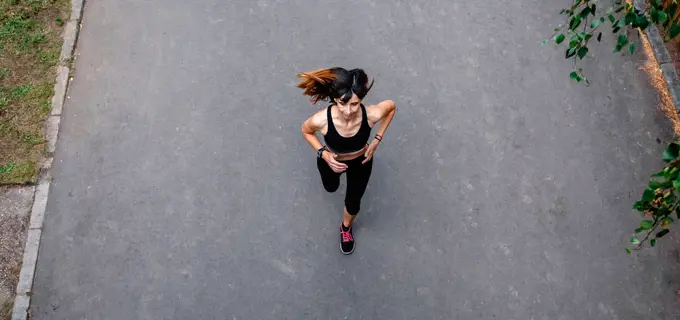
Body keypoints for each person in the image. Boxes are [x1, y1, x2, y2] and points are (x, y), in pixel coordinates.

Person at [298, 67, 396, 254]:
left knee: (353, 201)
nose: (348, 111)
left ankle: (345, 227)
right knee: (331, 188)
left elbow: (391, 107)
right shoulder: (322, 120)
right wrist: (323, 153)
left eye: (355, 104)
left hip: (361, 163)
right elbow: (306, 131)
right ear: (335, 100)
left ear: (361, 101)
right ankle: (331, 173)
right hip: (331, 162)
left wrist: (377, 139)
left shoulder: (372, 114)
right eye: (343, 104)